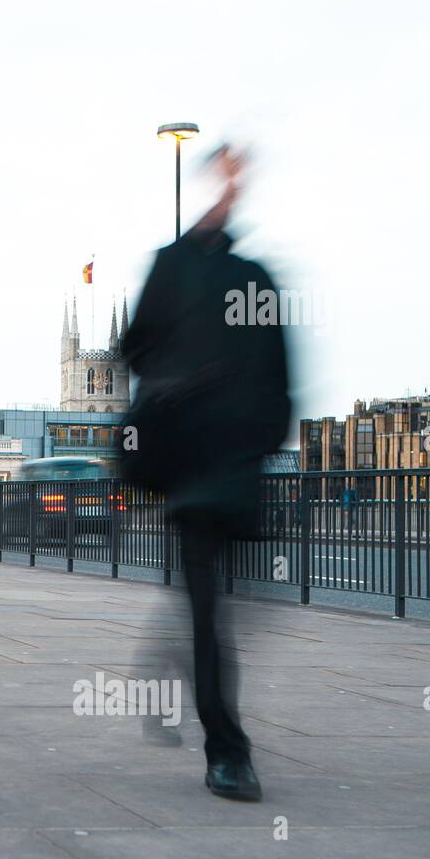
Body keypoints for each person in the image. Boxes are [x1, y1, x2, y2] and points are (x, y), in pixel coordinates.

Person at [120, 145, 290, 802]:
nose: (232, 187)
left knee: (241, 605)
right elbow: (134, 346)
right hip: (191, 465)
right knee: (209, 609)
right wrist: (178, 384)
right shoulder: (171, 267)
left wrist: (267, 431)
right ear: (208, 183)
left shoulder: (258, 277)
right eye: (224, 175)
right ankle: (228, 752)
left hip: (241, 462)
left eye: (239, 177)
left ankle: (166, 660)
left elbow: (281, 370)